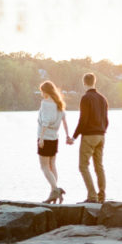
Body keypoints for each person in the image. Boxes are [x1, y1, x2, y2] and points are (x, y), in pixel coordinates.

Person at [69, 72, 109, 203]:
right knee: (99, 166)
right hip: (101, 136)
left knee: (83, 166)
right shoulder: (103, 99)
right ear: (94, 82)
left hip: (89, 136)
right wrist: (102, 131)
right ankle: (102, 196)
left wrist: (74, 137)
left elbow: (83, 120)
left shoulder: (86, 98)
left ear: (84, 83)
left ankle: (92, 196)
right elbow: (106, 121)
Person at [37, 80, 71, 204]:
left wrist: (41, 138)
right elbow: (64, 121)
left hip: (45, 137)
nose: (41, 94)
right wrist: (67, 135)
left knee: (44, 166)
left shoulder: (45, 103)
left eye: (42, 91)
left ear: (46, 92)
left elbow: (45, 121)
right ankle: (54, 193)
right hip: (55, 138)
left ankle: (55, 190)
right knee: (52, 165)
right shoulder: (59, 104)